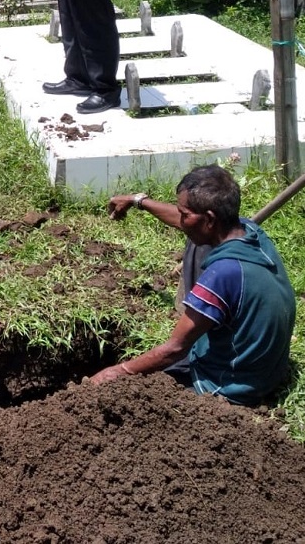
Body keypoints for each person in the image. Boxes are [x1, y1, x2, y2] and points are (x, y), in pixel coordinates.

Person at [90, 165, 296, 406]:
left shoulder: (222, 274)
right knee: (197, 242)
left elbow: (175, 349)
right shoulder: (249, 231)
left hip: (230, 384)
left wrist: (118, 371)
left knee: (132, 397)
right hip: (267, 368)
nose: (181, 221)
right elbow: (184, 221)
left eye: (185, 214)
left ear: (209, 218)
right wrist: (139, 201)